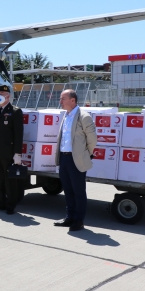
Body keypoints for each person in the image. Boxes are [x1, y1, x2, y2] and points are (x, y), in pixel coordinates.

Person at [54, 89, 97, 231]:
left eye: (63, 98)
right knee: (67, 190)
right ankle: (69, 217)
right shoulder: (66, 116)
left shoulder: (84, 117)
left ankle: (78, 221)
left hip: (76, 159)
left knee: (78, 191)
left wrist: (86, 154)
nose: (60, 101)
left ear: (73, 100)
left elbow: (92, 140)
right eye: (61, 99)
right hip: (64, 158)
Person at [0, 85, 24, 215]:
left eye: (2, 93)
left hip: (8, 152)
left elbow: (18, 134)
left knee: (9, 180)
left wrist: (18, 153)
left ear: (9, 96)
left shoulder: (15, 111)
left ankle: (10, 205)